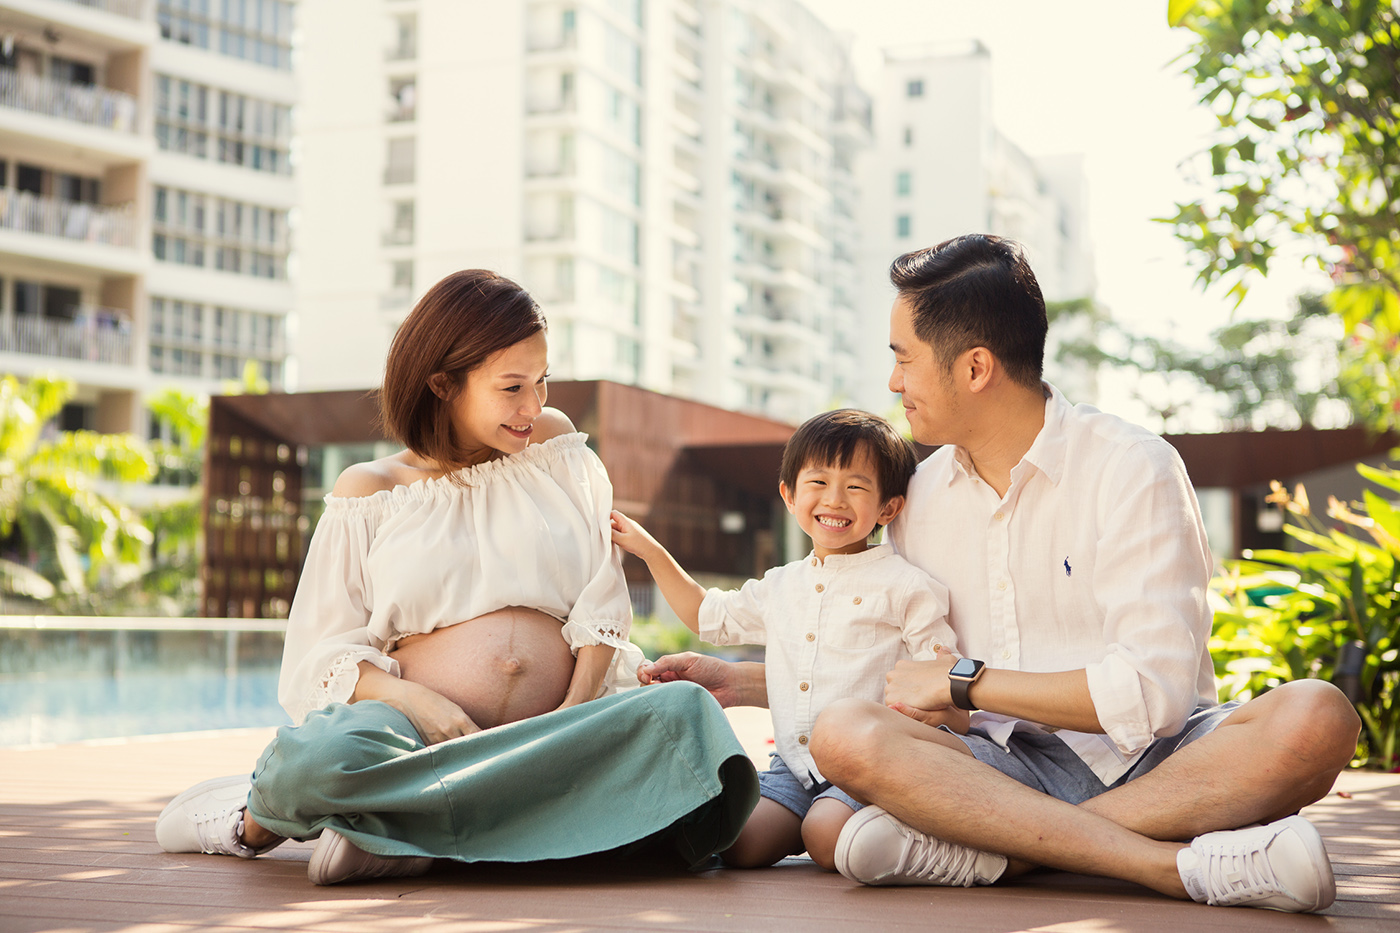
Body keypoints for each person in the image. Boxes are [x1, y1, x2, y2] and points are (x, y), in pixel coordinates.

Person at [641, 235, 1361, 912]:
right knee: (844, 734)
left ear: (975, 367)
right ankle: (1167, 862)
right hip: (989, 766)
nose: (894, 382)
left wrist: (967, 681)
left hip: (1161, 761)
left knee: (1316, 717)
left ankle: (1012, 853)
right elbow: (888, 667)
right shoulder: (916, 500)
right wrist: (745, 681)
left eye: (905, 358)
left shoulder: (1132, 467)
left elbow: (1154, 697)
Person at [155, 269, 758, 885]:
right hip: (416, 735)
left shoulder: (557, 451)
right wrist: (420, 703)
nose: (534, 407)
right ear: (444, 384)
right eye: (512, 387)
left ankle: (403, 832)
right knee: (316, 760)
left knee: (686, 721)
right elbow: (323, 652)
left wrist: (565, 715)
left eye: (543, 381)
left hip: (571, 725)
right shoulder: (371, 492)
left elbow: (601, 597)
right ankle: (249, 821)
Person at [612, 409, 961, 869]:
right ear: (790, 495)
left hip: (864, 769)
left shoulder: (905, 585)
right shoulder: (780, 585)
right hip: (794, 767)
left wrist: (931, 709)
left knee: (824, 832)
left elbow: (944, 679)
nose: (834, 500)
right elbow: (706, 615)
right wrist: (649, 550)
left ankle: (918, 835)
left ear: (888, 508)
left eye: (856, 487)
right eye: (817, 483)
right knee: (738, 844)